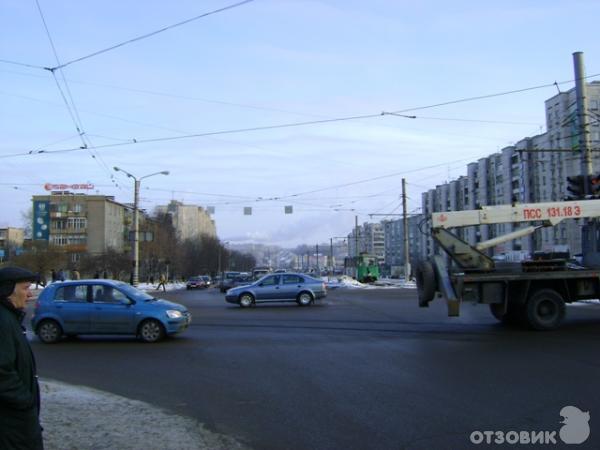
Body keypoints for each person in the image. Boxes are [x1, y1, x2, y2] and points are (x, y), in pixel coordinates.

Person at [0, 266, 44, 449]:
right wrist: (25, 401)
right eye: (25, 288)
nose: (30, 295)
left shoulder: (9, 317)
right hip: (11, 422)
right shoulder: (2, 321)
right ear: (7, 290)